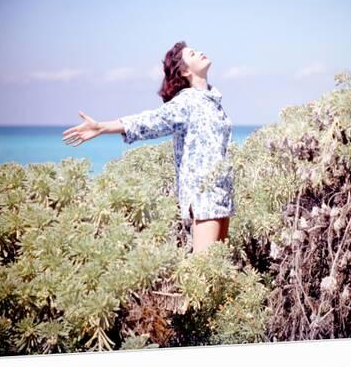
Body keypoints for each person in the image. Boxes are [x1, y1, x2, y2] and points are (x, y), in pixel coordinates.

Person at [61, 40, 236, 253]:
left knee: (220, 265)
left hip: (222, 191)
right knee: (205, 268)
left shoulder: (212, 101)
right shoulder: (187, 101)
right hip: (203, 193)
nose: (200, 52)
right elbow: (150, 120)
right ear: (184, 71)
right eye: (192, 54)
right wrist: (102, 127)